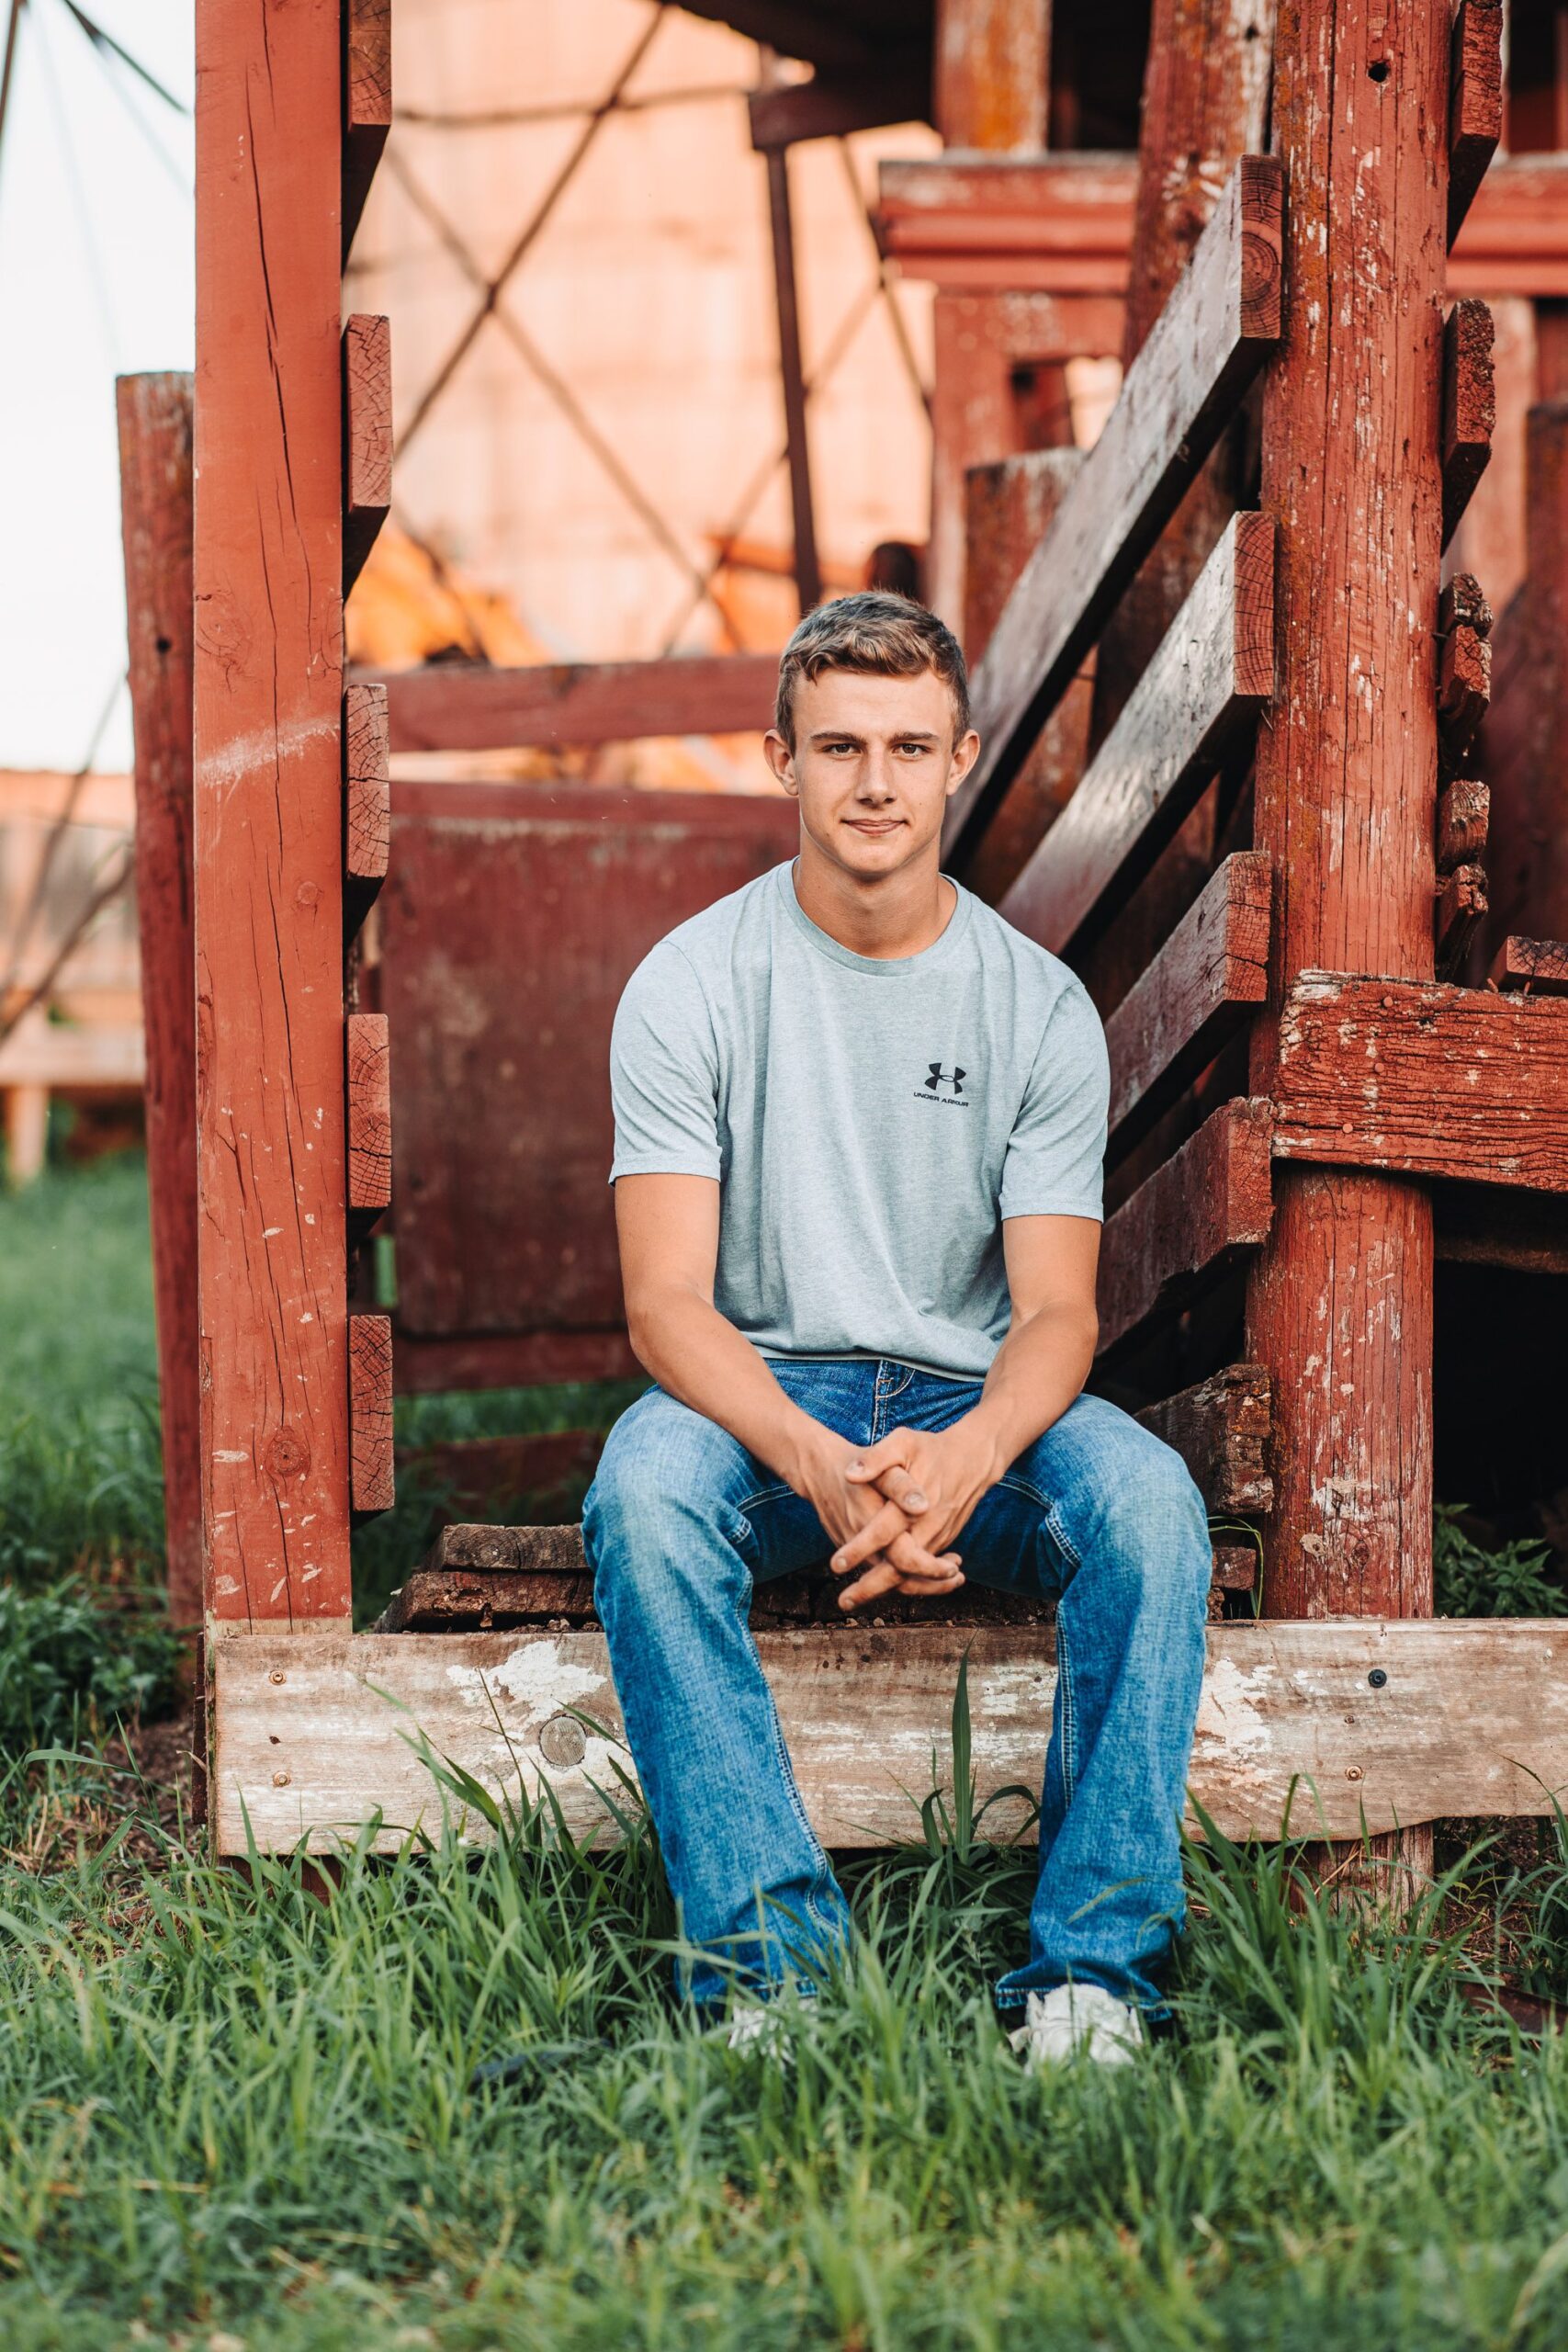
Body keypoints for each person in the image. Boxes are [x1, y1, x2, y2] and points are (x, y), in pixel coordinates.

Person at [581, 592, 1211, 2069]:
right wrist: (810, 1455)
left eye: (911, 746)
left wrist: (973, 1456)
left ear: (960, 762)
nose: (876, 782)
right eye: (842, 746)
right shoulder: (690, 987)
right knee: (646, 1497)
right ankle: (775, 1979)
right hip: (765, 1387)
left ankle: (1093, 1982)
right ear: (780, 761)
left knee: (1152, 1511)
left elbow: (1060, 1310)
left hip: (973, 1397)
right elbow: (666, 1304)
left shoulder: (1035, 1008)